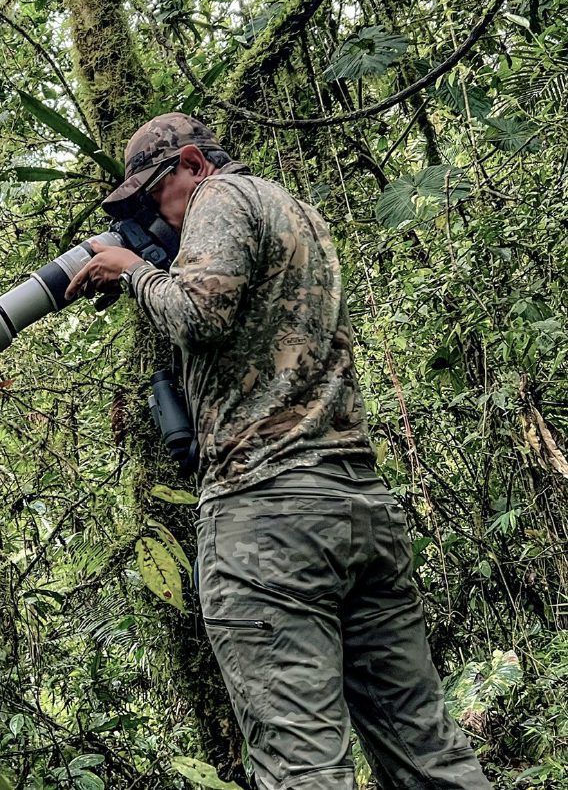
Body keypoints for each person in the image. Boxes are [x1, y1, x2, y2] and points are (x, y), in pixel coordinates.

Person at [66, 113, 491, 790]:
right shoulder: (297, 212)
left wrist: (135, 274)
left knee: (302, 766)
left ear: (193, 164)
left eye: (155, 196)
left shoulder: (221, 198)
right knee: (428, 751)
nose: (157, 216)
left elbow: (201, 314)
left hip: (270, 519)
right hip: (356, 506)